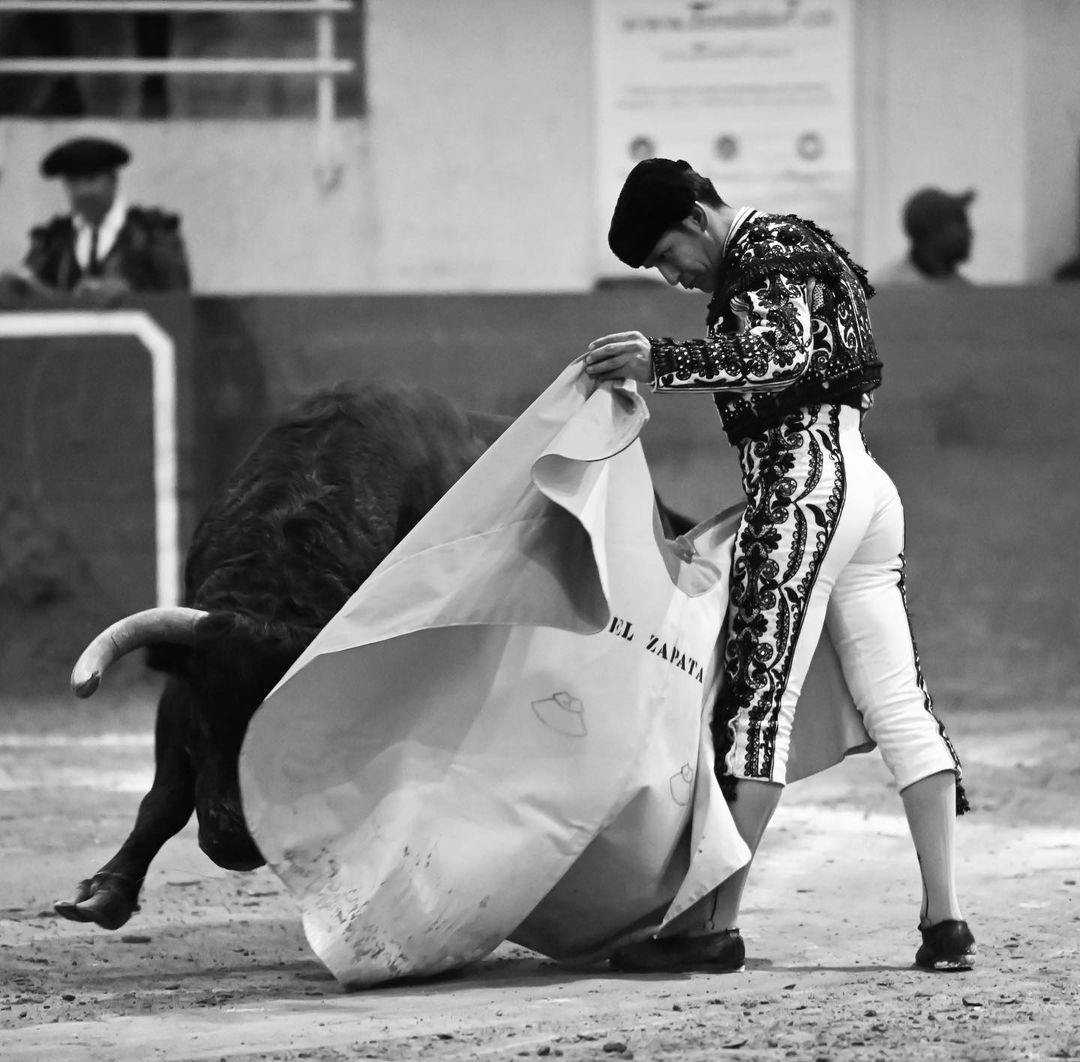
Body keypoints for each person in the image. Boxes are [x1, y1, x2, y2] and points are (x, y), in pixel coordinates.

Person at [582, 158, 975, 974]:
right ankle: (945, 921)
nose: (673, 277)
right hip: (862, 483)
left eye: (667, 256)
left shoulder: (762, 252)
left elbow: (782, 355)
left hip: (801, 487)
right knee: (899, 703)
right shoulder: (798, 244)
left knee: (757, 707)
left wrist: (664, 363)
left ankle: (711, 925)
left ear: (697, 219)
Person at [0, 136, 191, 303]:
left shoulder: (153, 233)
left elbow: (177, 295)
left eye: (91, 179)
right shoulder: (53, 240)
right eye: (73, 182)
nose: (83, 191)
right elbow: (29, 289)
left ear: (113, 180)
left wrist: (130, 292)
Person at [876, 186, 975, 285]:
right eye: (960, 223)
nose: (970, 232)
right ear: (933, 230)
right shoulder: (886, 287)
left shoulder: (967, 290)